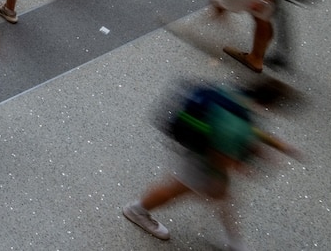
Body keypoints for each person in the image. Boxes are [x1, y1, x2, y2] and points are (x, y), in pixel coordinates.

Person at [122, 80, 295, 248]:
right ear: (270, 104)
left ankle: (234, 241)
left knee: (222, 195)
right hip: (201, 157)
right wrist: (238, 169)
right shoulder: (235, 124)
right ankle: (136, 210)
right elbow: (221, 156)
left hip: (201, 146)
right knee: (177, 189)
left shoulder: (236, 93)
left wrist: (278, 146)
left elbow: (249, 130)